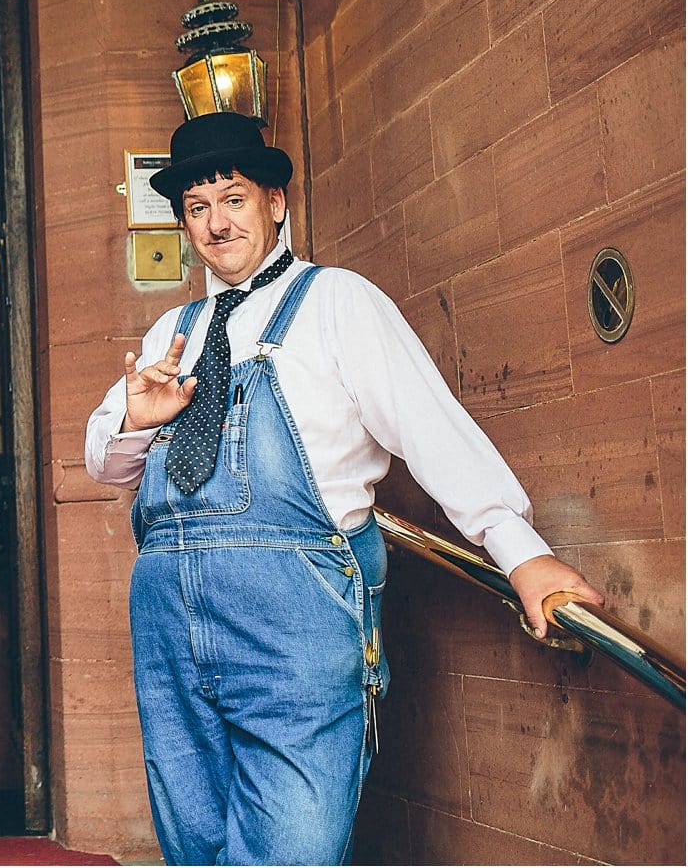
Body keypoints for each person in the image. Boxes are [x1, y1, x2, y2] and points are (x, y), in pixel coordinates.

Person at [83, 112, 602, 865]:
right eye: (197, 208)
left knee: (291, 847)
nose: (215, 223)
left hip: (294, 622)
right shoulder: (174, 329)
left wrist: (520, 551)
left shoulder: (338, 303)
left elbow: (431, 427)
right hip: (168, 627)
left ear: (275, 202)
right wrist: (134, 416)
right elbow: (104, 462)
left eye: (232, 198)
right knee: (192, 844)